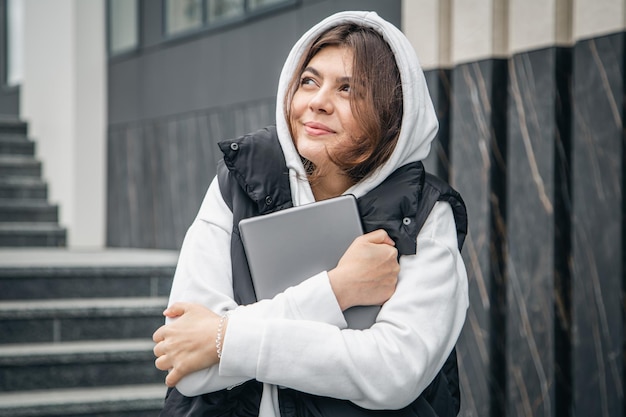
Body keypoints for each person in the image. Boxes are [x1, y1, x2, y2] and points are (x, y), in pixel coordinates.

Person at [152, 10, 469, 417]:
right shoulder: (241, 179)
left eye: (348, 90)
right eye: (309, 81)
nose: (318, 102)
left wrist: (225, 338)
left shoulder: (425, 213)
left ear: (392, 114)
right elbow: (188, 363)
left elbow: (392, 372)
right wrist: (337, 290)